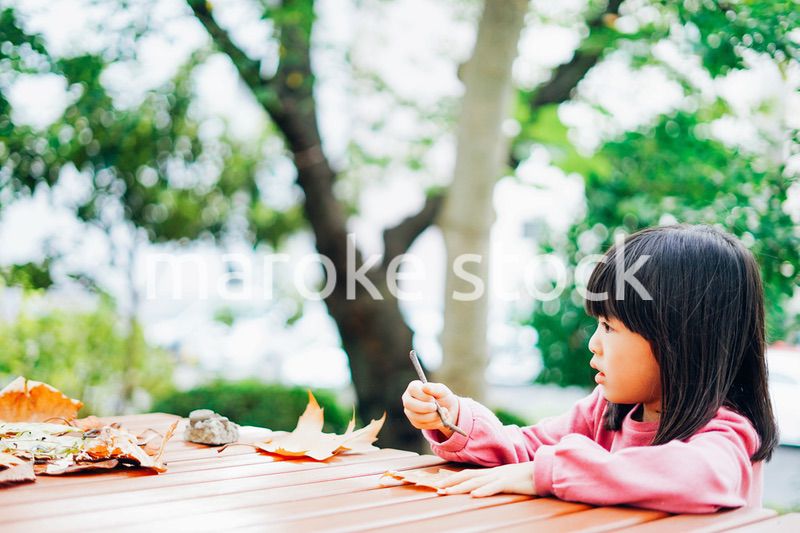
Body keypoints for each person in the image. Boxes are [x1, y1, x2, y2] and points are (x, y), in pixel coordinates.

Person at [402, 224, 778, 513]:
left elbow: (699, 477)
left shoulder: (725, 431)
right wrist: (455, 419)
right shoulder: (605, 411)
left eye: (610, 327)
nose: (593, 343)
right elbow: (527, 451)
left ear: (681, 339)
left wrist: (549, 473)